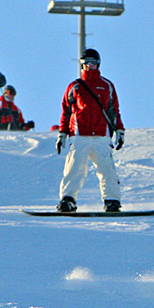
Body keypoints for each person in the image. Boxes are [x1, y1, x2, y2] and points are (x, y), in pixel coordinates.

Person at [55, 48, 125, 213]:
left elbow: (114, 111)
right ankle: (68, 200)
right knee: (74, 169)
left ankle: (112, 201)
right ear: (82, 65)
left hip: (101, 135)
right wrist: (62, 133)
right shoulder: (75, 87)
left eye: (93, 63)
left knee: (107, 170)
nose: (89, 66)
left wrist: (120, 131)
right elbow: (66, 111)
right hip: (79, 135)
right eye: (86, 63)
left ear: (98, 64)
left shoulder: (106, 85)